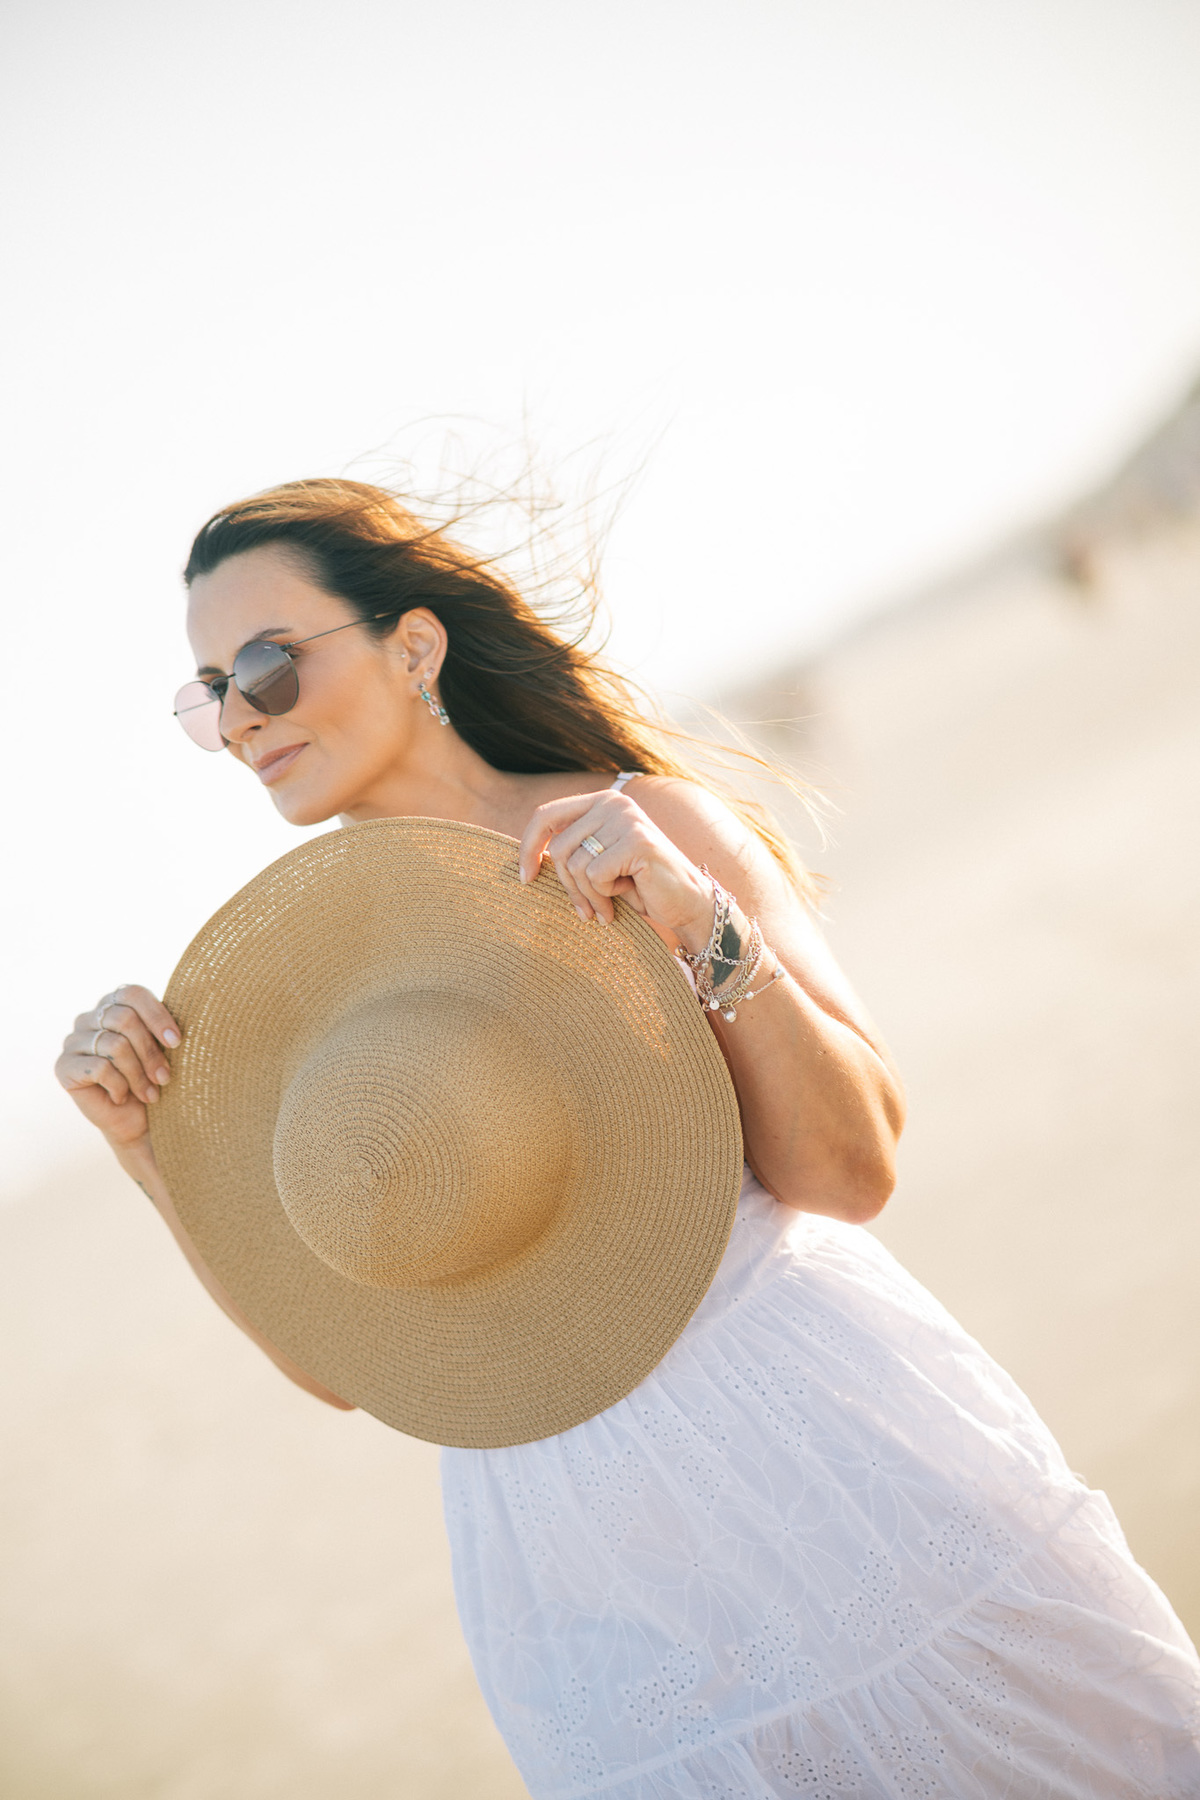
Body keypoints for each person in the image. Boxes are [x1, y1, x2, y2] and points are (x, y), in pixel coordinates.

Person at [56, 480, 1200, 1797]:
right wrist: (149, 1147)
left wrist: (694, 918)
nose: (242, 720)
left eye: (264, 667)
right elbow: (349, 1366)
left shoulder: (651, 824)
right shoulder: (294, 985)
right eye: (211, 696)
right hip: (576, 1572)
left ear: (412, 645)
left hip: (824, 1452)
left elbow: (853, 1168)